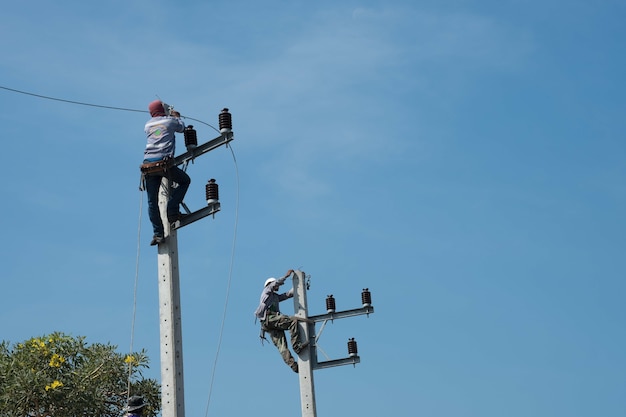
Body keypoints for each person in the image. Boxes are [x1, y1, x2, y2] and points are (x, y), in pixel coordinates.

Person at [142, 100, 191, 246]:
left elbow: (158, 131)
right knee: (184, 181)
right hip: (163, 163)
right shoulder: (170, 121)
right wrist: (176, 116)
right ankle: (172, 210)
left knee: (152, 203)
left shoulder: (148, 125)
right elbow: (182, 127)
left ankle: (158, 234)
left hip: (148, 165)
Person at [254, 269, 309, 373]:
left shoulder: (274, 296)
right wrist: (286, 276)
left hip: (269, 325)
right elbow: (275, 284)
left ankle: (294, 366)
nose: (277, 287)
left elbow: (286, 295)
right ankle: (296, 346)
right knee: (293, 321)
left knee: (282, 346)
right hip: (269, 319)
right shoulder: (267, 291)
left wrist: (298, 288)